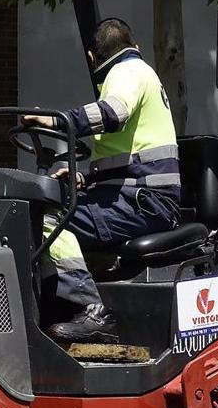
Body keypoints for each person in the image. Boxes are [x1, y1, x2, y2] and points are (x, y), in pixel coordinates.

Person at [22, 17, 182, 344]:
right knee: (56, 208)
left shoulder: (129, 72)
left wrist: (57, 120)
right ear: (134, 45)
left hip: (144, 204)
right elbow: (130, 156)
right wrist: (86, 176)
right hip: (140, 199)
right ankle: (63, 307)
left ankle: (92, 312)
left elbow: (113, 114)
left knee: (48, 216)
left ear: (94, 59)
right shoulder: (139, 74)